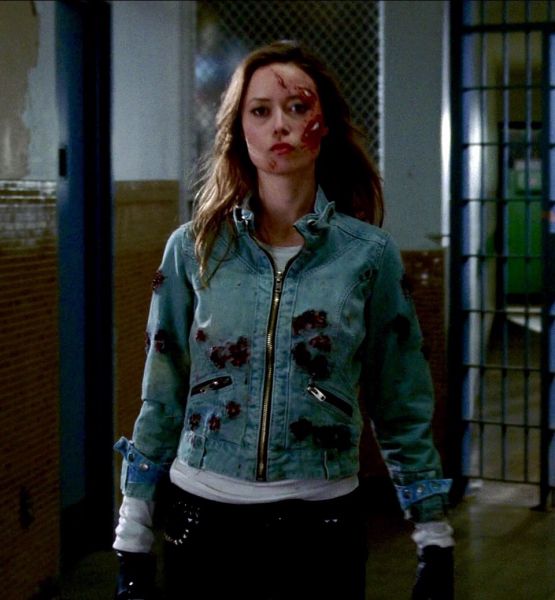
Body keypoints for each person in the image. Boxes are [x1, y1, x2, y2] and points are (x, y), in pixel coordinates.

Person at [113, 40, 454, 600]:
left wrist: (432, 532)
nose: (280, 126)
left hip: (321, 528)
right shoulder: (194, 250)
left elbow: (399, 399)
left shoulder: (367, 256)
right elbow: (163, 392)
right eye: (260, 110)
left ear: (325, 125)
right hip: (203, 523)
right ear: (238, 129)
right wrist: (132, 532)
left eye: (298, 108)